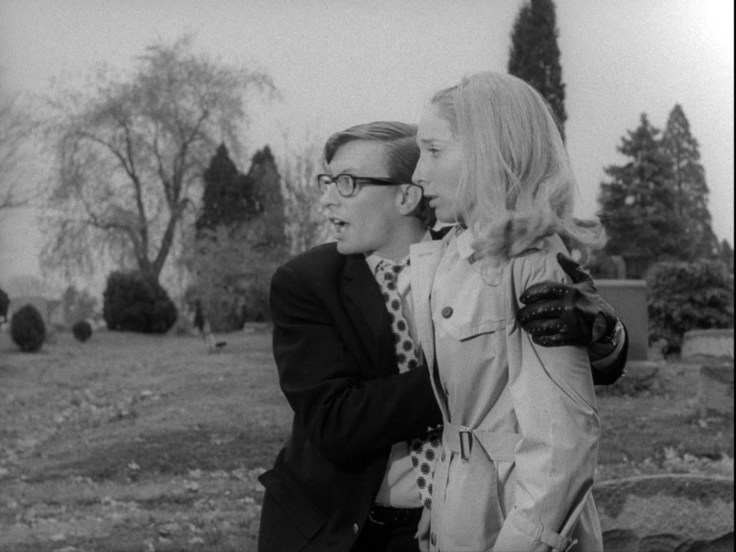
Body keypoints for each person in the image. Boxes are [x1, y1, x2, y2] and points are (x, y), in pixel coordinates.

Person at [258, 121, 626, 552]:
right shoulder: (306, 282)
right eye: (327, 181)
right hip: (340, 531)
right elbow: (336, 422)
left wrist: (603, 332)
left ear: (407, 194)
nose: (326, 199)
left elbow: (572, 372)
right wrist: (481, 364)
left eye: (348, 183)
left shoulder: (489, 259)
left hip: (464, 525)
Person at [410, 71, 607, 551]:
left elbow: (561, 445)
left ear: (490, 152)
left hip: (514, 516)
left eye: (433, 151)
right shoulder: (451, 254)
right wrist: (441, 500)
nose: (418, 174)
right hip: (462, 508)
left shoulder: (533, 264)